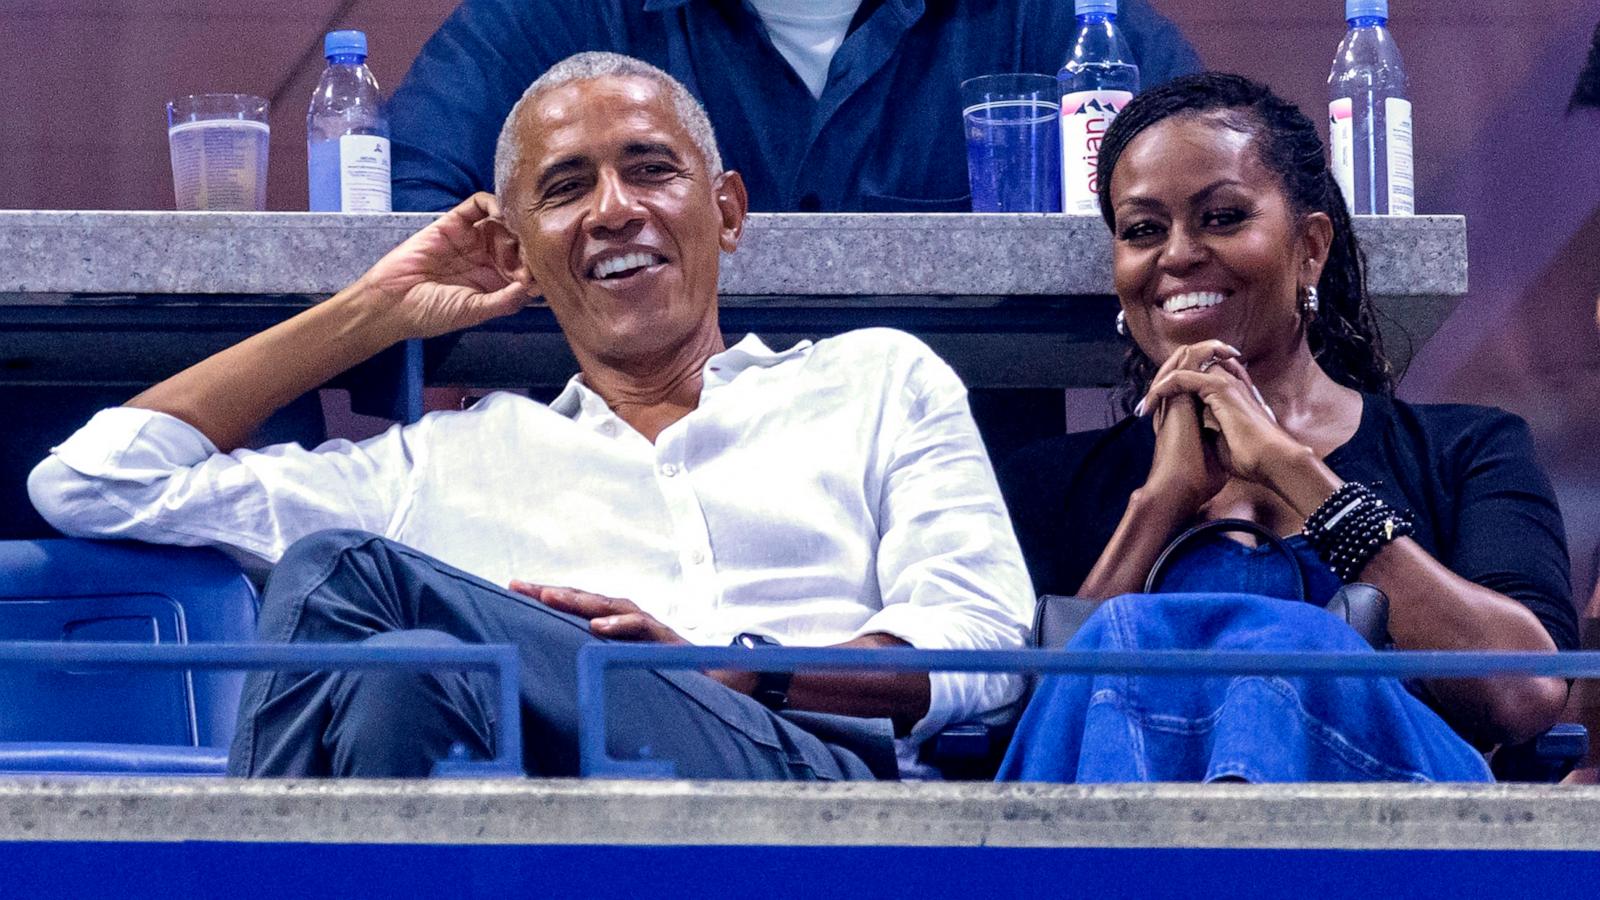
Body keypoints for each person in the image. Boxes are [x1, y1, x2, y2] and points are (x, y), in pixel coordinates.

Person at [27, 53, 1033, 780]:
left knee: (341, 572)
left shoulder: (875, 380)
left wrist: (722, 666)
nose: (612, 210)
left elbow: (979, 644)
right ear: (517, 254)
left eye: (650, 169)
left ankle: (226, 884)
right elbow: (97, 482)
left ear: (725, 210)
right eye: (565, 189)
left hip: (808, 786)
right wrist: (367, 312)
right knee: (400, 678)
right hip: (547, 824)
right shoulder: (441, 463)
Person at [994, 73, 1578, 783]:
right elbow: (1027, 728)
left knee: (1290, 644)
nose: (1177, 255)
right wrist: (1164, 503)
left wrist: (1292, 472)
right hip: (1109, 856)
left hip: (1383, 855)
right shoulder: (1048, 483)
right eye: (1143, 230)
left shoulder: (1468, 449)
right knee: (1121, 638)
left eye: (1223, 217)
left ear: (1310, 246)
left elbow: (1524, 696)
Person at [386, 0, 1200, 213]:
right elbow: (398, 217)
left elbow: (1216, 175)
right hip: (634, 485)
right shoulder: (563, 12)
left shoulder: (1044, 15)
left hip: (964, 497)